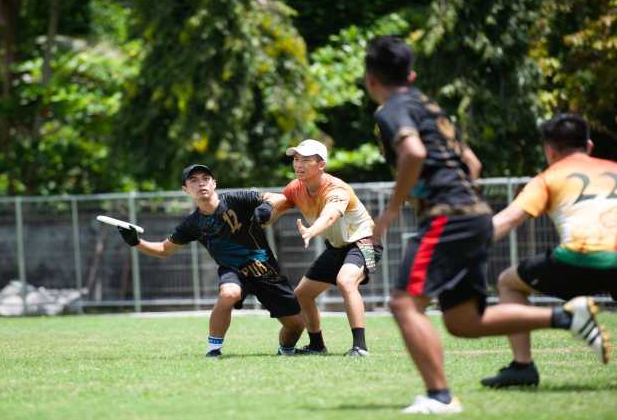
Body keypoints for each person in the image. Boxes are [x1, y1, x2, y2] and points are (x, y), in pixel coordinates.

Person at [363, 35, 609, 414]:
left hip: (448, 216)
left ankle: (439, 396)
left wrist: (391, 210)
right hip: (473, 213)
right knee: (464, 321)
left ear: (370, 79)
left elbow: (413, 152)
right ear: (411, 74)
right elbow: (472, 164)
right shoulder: (432, 109)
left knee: (403, 303)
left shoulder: (391, 109)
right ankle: (566, 316)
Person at [480, 113, 617, 388]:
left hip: (579, 259)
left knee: (508, 282)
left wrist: (459, 247)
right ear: (589, 145)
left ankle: (522, 367)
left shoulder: (547, 177)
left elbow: (507, 221)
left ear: (550, 151)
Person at [116, 164, 305, 357]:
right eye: (193, 180)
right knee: (229, 294)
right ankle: (213, 351)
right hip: (233, 270)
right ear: (185, 189)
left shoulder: (235, 199)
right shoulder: (192, 223)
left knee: (297, 325)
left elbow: (280, 197)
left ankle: (286, 349)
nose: (201, 183)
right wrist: (136, 242)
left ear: (214, 183)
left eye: (205, 178)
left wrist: (267, 206)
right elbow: (164, 249)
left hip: (266, 270)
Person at [264, 139, 382, 357]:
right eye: (296, 159)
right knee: (302, 295)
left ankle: (360, 347)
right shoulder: (295, 188)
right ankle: (317, 345)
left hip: (364, 242)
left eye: (306, 160)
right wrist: (261, 213)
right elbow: (276, 207)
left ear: (321, 165)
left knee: (345, 281)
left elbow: (330, 215)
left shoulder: (337, 189)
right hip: (337, 247)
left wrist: (311, 230)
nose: (299, 164)